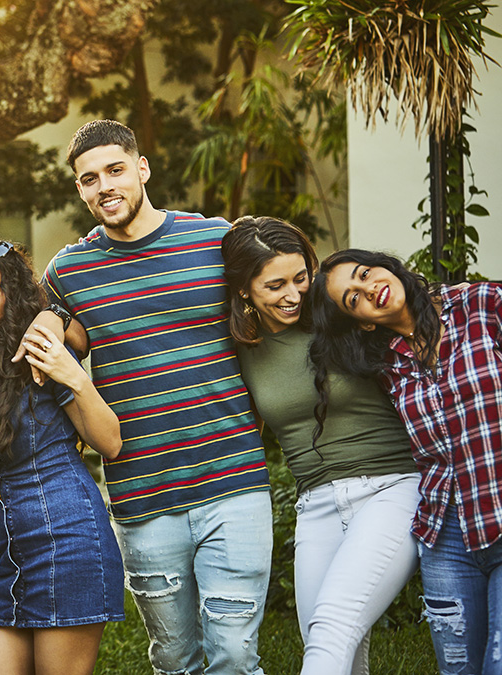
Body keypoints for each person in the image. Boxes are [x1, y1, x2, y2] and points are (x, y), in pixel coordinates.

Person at [43, 120, 273, 674]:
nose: (104, 187)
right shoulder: (68, 273)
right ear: (80, 189)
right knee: (174, 658)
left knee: (236, 653)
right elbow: (45, 347)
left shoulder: (214, 240)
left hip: (234, 479)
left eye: (115, 171)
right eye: (89, 179)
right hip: (142, 495)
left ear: (142, 169)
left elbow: (277, 307)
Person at [221, 219, 419, 675]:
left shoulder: (340, 316)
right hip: (316, 503)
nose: (293, 294)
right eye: (275, 285)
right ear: (245, 290)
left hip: (391, 487)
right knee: (326, 640)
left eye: (300, 277)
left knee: (333, 626)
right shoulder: (240, 347)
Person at [0, 236, 125, 674]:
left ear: (9, 299)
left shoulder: (36, 355)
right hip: (12, 560)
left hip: (69, 545)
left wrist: (73, 375)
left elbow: (110, 442)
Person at [310, 249, 502, 675]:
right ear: (361, 321)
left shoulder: (482, 304)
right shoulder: (385, 366)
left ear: (385, 266)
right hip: (446, 540)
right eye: (353, 298)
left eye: (364, 273)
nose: (368, 288)